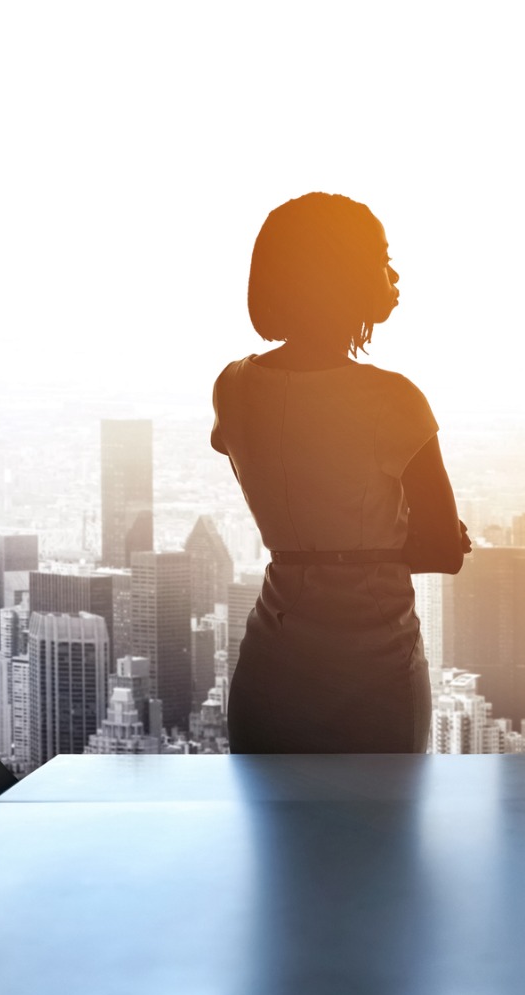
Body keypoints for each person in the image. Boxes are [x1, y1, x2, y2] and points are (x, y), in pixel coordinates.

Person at [211, 192, 469, 753]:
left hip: (271, 658)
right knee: (382, 810)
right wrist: (393, 538)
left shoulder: (232, 385)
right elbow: (444, 551)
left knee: (273, 811)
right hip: (375, 665)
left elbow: (268, 477)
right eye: (382, 258)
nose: (394, 274)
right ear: (341, 273)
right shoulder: (393, 399)